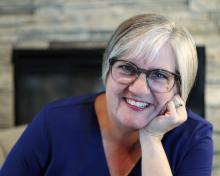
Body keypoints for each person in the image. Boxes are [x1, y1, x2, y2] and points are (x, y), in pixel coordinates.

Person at [0, 14, 213, 176]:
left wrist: (151, 138)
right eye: (127, 68)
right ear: (107, 70)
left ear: (179, 87)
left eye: (159, 75)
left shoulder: (193, 137)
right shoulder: (53, 121)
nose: (138, 88)